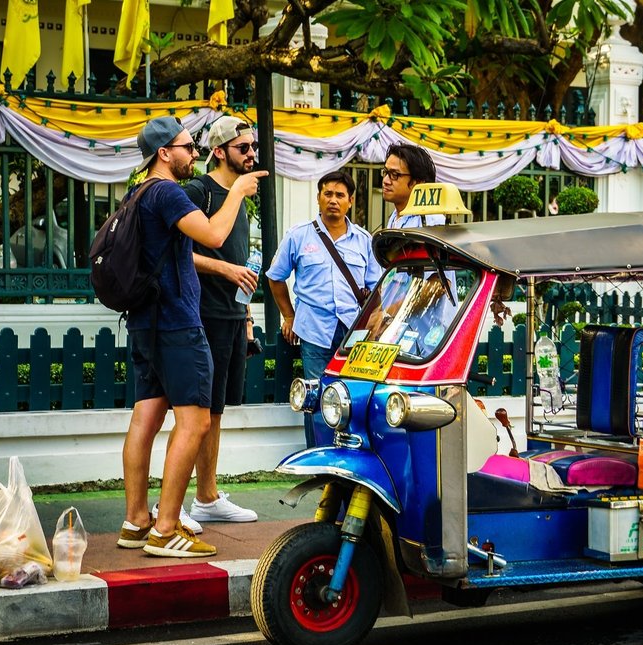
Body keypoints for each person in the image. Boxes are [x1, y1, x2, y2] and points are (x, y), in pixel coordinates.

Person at [115, 116, 266, 558]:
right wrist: (237, 192)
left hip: (146, 320)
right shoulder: (164, 192)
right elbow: (215, 235)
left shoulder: (136, 192)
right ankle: (165, 527)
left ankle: (136, 520)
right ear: (164, 153)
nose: (195, 154)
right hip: (177, 321)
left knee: (146, 417)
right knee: (197, 420)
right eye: (187, 147)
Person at [170, 116, 261, 531]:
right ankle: (175, 505)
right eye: (244, 148)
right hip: (198, 313)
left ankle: (206, 496)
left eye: (253, 147)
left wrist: (246, 315)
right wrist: (224, 272)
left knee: (217, 410)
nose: (252, 154)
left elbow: (239, 258)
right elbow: (175, 253)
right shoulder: (197, 191)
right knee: (196, 411)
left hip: (230, 313)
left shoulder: (240, 196)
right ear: (220, 151)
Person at [267, 171, 382, 379]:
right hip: (314, 330)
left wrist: (373, 325)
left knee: (352, 397)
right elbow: (275, 277)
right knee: (318, 397)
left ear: (350, 201)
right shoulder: (298, 235)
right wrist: (289, 316)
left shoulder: (364, 240)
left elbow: (376, 289)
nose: (333, 200)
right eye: (328, 194)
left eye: (340, 195)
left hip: (353, 331)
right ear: (318, 198)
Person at [382, 143, 446, 229]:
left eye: (394, 174)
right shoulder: (396, 216)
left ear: (418, 182)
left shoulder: (430, 221)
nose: (385, 181)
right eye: (386, 172)